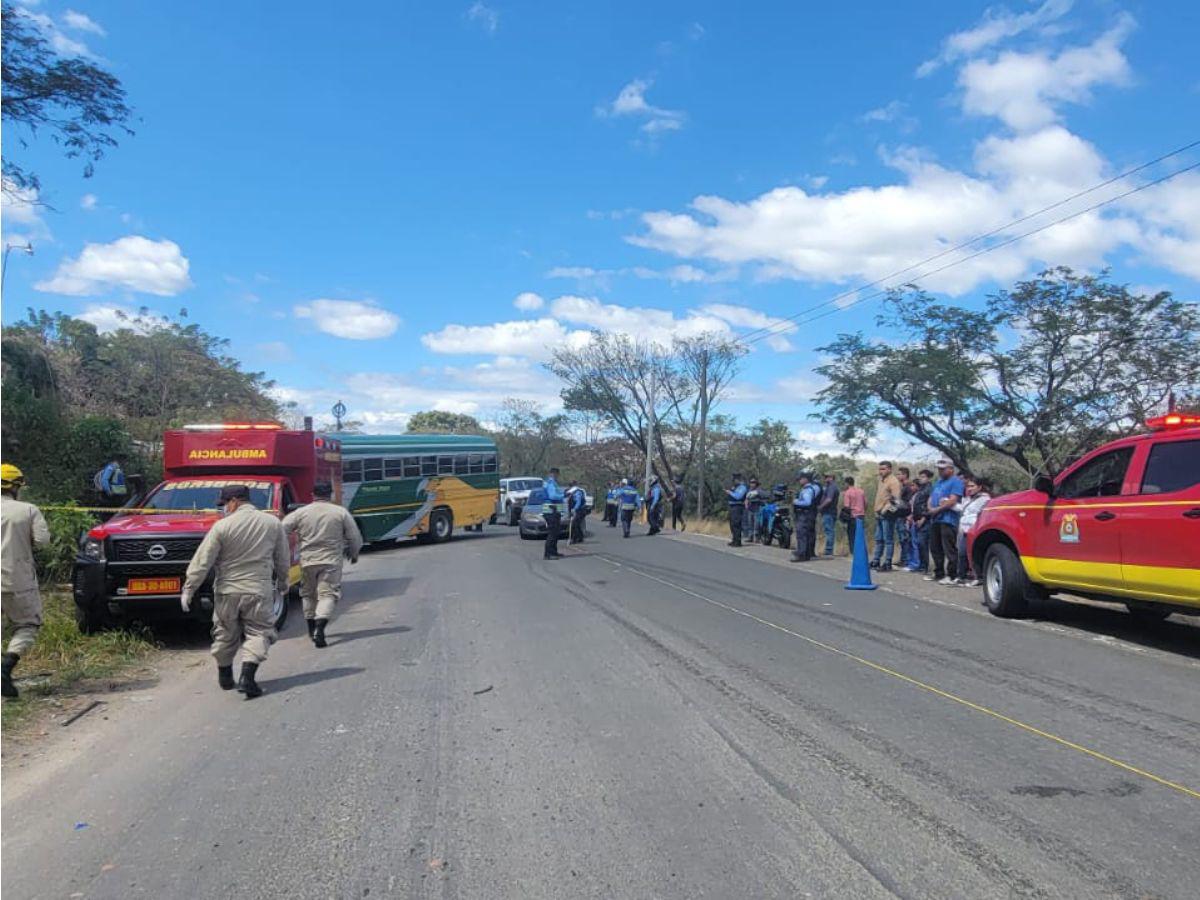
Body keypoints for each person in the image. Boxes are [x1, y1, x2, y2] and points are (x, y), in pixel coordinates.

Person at [181, 484, 290, 698]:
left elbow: (203, 561)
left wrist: (189, 589)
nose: (224, 508)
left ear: (234, 501)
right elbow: (282, 559)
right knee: (259, 632)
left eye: (224, 504)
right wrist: (284, 582)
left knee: (224, 633)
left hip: (227, 591)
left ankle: (225, 675)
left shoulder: (222, 527)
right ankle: (247, 677)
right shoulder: (272, 523)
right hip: (258, 589)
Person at [281, 481, 363, 648]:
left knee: (308, 595)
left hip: (308, 560)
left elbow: (281, 529)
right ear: (331, 495)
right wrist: (353, 554)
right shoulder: (340, 512)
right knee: (327, 595)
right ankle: (320, 628)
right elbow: (354, 537)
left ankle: (311, 630)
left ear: (313, 495)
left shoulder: (300, 513)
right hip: (331, 560)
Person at [1, 464, 51, 699]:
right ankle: (6, 666)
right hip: (17, 579)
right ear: (17, 486)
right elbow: (42, 541)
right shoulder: (28, 510)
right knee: (28, 625)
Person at [925, 459, 965, 585]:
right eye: (939, 469)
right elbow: (931, 497)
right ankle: (938, 572)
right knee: (935, 547)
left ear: (950, 469)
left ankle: (952, 575)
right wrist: (930, 507)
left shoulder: (956, 482)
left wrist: (937, 509)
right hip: (935, 519)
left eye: (943, 469)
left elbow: (953, 500)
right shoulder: (938, 482)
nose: (940, 471)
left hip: (948, 519)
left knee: (949, 548)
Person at [954, 477, 992, 586]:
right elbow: (963, 509)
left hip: (974, 529)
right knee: (962, 553)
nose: (969, 488)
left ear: (979, 487)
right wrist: (950, 504)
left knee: (974, 554)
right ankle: (961, 576)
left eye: (972, 486)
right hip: (964, 529)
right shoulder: (968, 498)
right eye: (968, 486)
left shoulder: (985, 499)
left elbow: (981, 514)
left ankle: (979, 577)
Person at [870, 460, 903, 572]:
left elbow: (896, 500)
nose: (881, 471)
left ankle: (887, 562)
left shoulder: (894, 482)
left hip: (887, 514)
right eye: (880, 469)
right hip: (878, 512)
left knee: (888, 539)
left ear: (889, 469)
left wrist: (885, 510)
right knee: (879, 539)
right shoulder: (881, 480)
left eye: (883, 469)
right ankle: (876, 560)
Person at [906, 469, 934, 574]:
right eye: (920, 476)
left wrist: (924, 518)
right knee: (918, 542)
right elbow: (916, 505)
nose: (921, 479)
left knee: (922, 542)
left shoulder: (929, 489)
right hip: (916, 519)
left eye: (923, 477)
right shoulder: (921, 489)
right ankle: (921, 565)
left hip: (925, 520)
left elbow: (928, 505)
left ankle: (925, 566)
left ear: (928, 478)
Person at [790, 472, 821, 562]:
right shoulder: (812, 488)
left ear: (805, 479)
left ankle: (801, 554)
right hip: (808, 514)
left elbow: (807, 502)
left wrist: (795, 501)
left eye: (800, 479)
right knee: (807, 534)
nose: (799, 481)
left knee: (801, 534)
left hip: (804, 514)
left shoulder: (807, 490)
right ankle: (806, 553)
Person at [542, 467, 566, 559]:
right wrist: (563, 495)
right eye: (557, 475)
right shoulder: (551, 483)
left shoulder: (549, 482)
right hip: (551, 510)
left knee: (556, 532)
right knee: (552, 533)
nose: (558, 476)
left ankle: (554, 552)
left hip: (553, 510)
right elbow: (553, 496)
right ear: (554, 474)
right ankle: (548, 554)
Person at [894, 467, 915, 567]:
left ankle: (906, 559)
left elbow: (909, 502)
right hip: (899, 514)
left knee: (905, 538)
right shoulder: (901, 486)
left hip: (904, 515)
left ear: (905, 475)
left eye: (899, 474)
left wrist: (909, 515)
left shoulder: (908, 487)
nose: (897, 476)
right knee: (901, 538)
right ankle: (903, 559)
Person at [841, 476, 866, 554]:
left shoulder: (847, 492)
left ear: (847, 483)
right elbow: (866, 503)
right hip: (861, 515)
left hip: (852, 516)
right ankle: (860, 550)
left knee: (852, 535)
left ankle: (853, 551)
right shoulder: (861, 491)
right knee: (860, 534)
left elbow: (847, 506)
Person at [818, 473, 840, 557]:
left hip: (829, 512)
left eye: (827, 477)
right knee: (829, 530)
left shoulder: (832, 487)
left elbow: (829, 499)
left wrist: (820, 507)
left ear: (831, 478)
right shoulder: (829, 487)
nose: (825, 478)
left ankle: (829, 550)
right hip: (829, 512)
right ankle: (828, 550)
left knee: (829, 531)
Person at [726, 474, 747, 547]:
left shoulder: (742, 488)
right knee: (732, 524)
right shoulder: (734, 487)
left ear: (739, 479)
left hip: (738, 506)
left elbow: (738, 496)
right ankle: (734, 540)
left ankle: (738, 541)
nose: (734, 481)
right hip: (732, 506)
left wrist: (730, 493)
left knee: (736, 524)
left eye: (735, 479)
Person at [745, 478, 765, 543]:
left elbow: (762, 496)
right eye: (751, 482)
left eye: (753, 482)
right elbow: (746, 498)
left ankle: (757, 538)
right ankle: (750, 537)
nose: (752, 484)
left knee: (757, 523)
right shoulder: (749, 490)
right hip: (750, 508)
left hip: (757, 508)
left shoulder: (759, 490)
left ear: (756, 484)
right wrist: (746, 504)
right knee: (750, 523)